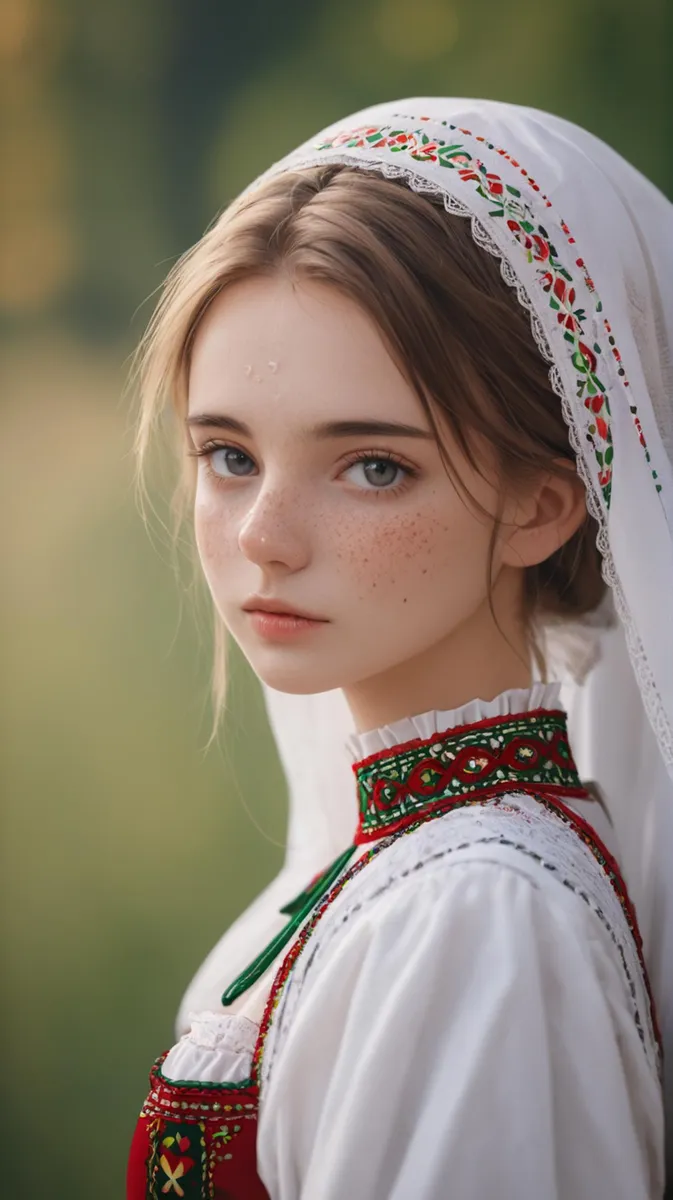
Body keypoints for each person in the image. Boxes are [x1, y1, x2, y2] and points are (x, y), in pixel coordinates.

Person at [126, 98, 673, 1198]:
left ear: (541, 504)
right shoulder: (419, 873)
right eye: (227, 455)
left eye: (373, 464)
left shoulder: (476, 922)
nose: (263, 540)